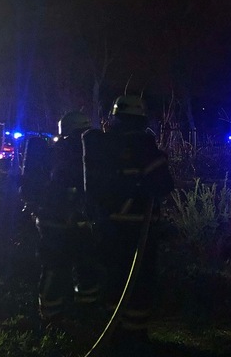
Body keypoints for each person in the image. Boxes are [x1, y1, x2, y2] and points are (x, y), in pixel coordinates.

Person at [82, 95, 174, 353]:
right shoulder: (143, 144)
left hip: (109, 225)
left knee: (115, 279)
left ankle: (115, 332)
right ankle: (136, 336)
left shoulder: (103, 144)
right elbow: (164, 185)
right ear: (140, 118)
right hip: (138, 228)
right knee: (140, 282)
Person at [20, 111, 100, 326]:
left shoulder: (54, 151)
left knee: (54, 267)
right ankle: (86, 310)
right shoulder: (80, 151)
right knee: (85, 265)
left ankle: (51, 314)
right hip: (75, 220)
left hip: (51, 220)